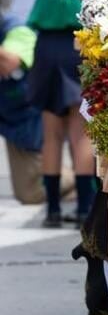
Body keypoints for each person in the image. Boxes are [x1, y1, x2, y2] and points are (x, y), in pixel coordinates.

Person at [23, 0, 96, 227]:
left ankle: (52, 210)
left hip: (45, 47)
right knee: (81, 134)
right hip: (77, 44)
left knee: (51, 134)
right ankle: (84, 210)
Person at [0, 11, 44, 203]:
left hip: (26, 118)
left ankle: (78, 179)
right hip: (7, 114)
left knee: (29, 193)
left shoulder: (18, 29)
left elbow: (8, 62)